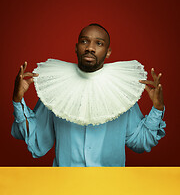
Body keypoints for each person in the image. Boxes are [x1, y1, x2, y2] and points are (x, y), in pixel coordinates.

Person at [11, 23, 166, 167]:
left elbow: (139, 142)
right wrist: (18, 101)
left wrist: (157, 109)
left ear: (108, 52)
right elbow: (38, 138)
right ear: (76, 47)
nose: (90, 48)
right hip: (66, 185)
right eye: (85, 41)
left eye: (99, 43)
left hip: (110, 186)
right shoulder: (55, 88)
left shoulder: (121, 91)